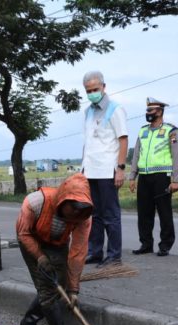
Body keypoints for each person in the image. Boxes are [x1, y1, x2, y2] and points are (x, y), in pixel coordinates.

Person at [16, 173, 93, 325]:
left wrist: (74, 289)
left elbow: (78, 252)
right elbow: (23, 234)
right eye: (73, 209)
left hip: (58, 244)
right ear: (63, 200)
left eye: (81, 211)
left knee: (62, 286)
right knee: (47, 288)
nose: (76, 215)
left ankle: (28, 321)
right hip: (31, 240)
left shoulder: (84, 217)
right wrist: (40, 257)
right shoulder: (35, 202)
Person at [81, 70, 128, 266]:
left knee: (110, 215)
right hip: (91, 170)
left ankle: (114, 255)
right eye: (88, 90)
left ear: (104, 87)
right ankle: (95, 252)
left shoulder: (115, 109)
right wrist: (83, 168)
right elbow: (88, 141)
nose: (92, 93)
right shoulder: (88, 111)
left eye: (95, 89)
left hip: (108, 170)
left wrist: (120, 168)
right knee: (94, 215)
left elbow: (123, 140)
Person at [128, 97, 178, 257]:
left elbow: (177, 154)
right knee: (144, 213)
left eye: (151, 111)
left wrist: (176, 180)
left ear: (159, 111)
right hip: (144, 177)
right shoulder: (142, 131)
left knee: (164, 212)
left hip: (162, 177)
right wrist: (132, 176)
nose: (148, 113)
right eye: (147, 111)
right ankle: (146, 244)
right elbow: (136, 154)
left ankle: (165, 245)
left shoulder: (170, 131)